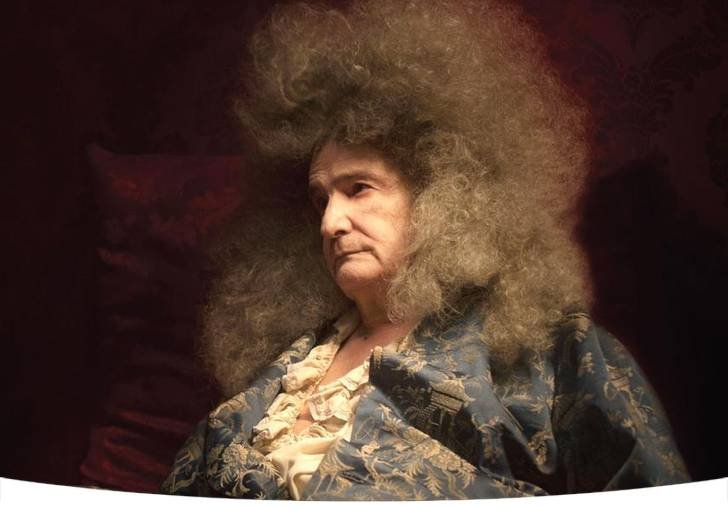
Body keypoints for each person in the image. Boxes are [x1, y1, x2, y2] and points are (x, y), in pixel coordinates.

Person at [160, 0, 691, 500]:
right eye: (320, 199)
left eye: (358, 188)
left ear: (441, 194)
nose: (329, 222)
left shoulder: (551, 355)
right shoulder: (285, 369)